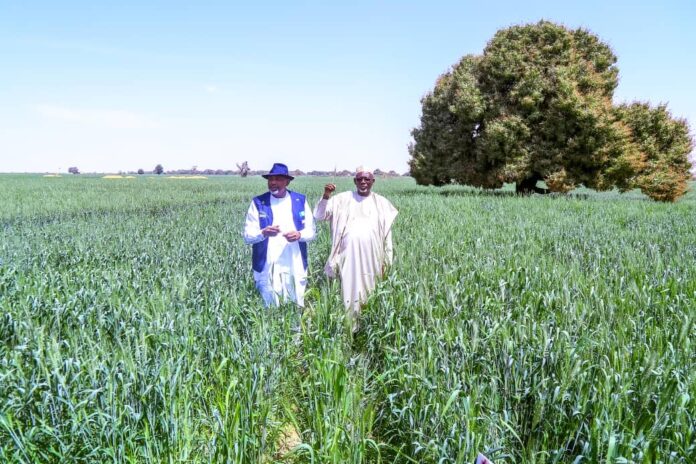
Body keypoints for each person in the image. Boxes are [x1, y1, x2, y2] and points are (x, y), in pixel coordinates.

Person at [314, 167, 398, 326]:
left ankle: (368, 326)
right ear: (354, 181)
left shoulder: (381, 203)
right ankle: (347, 326)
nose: (363, 182)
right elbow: (319, 216)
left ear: (373, 181)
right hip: (347, 257)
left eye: (367, 179)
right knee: (348, 289)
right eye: (359, 179)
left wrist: (386, 259)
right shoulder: (342, 199)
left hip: (372, 258)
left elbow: (387, 237)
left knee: (370, 290)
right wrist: (326, 195)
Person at [243, 163, 316, 307]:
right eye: (270, 179)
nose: (273, 183)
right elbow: (248, 235)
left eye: (278, 179)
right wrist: (263, 233)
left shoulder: (300, 200)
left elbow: (311, 232)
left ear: (287, 182)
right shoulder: (258, 202)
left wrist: (299, 235)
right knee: (269, 304)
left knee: (294, 302)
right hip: (268, 263)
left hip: (294, 262)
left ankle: (295, 328)